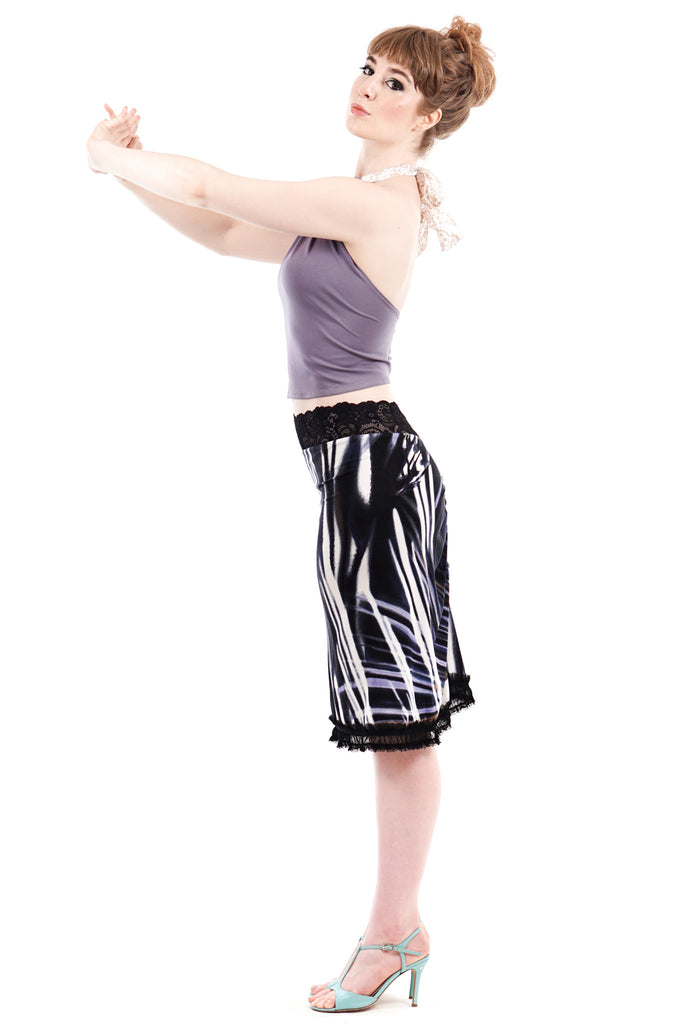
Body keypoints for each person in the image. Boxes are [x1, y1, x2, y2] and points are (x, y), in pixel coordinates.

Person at [86, 15, 496, 1012]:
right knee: (390, 709)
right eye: (368, 69)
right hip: (351, 468)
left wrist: (105, 154)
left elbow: (212, 185)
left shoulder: (375, 201)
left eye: (395, 84)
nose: (368, 88)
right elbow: (226, 231)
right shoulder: (344, 206)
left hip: (371, 471)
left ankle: (392, 934)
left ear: (429, 115)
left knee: (398, 717)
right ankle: (396, 930)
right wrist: (131, 176)